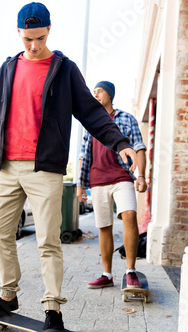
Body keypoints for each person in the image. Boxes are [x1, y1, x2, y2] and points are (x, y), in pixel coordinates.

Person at [0, 3, 139, 332]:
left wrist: (120, 142)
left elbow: (92, 113)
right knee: (0, 232)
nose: (33, 45)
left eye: (39, 38)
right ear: (18, 33)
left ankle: (53, 311)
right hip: (7, 167)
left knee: (48, 240)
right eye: (27, 39)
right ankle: (8, 296)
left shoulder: (64, 69)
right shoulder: (8, 69)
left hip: (45, 169)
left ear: (49, 31)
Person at [76, 81, 147, 290]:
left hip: (122, 176)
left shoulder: (127, 118)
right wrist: (80, 185)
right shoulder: (90, 122)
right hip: (97, 180)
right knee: (104, 226)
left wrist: (141, 175)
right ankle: (107, 274)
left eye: (99, 91)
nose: (95, 94)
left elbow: (139, 147)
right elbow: (84, 155)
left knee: (130, 215)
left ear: (110, 94)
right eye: (93, 92)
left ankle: (130, 270)